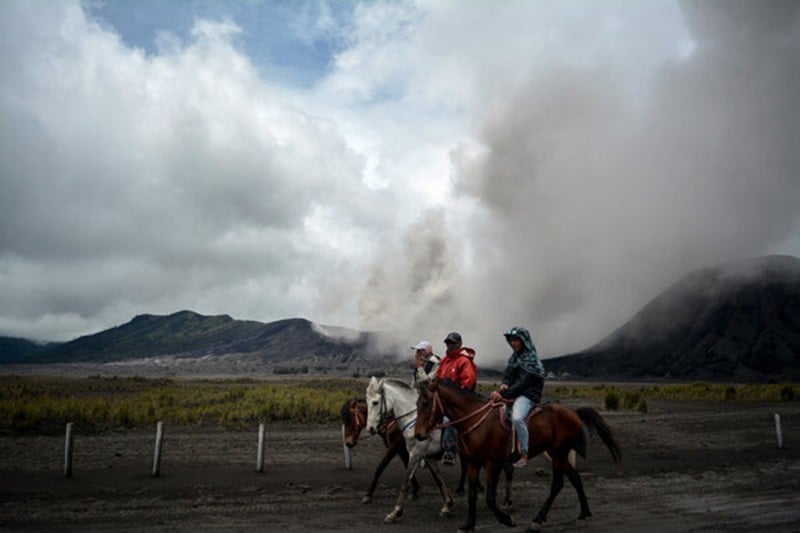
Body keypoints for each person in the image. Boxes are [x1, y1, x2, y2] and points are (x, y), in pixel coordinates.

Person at [491, 326, 544, 468]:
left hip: (527, 395)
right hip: (514, 393)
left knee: (517, 418)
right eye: (511, 340)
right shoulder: (514, 358)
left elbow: (523, 383)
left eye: (516, 340)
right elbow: (508, 374)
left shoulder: (531, 360)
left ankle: (524, 454)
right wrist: (504, 384)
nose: (513, 343)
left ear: (524, 341)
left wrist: (503, 394)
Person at [435, 331, 477, 465]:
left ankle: (450, 452)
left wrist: (454, 396)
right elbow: (438, 379)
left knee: (449, 421)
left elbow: (468, 382)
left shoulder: (464, 361)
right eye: (447, 342)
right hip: (444, 400)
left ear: (459, 344)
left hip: (460, 403)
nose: (449, 345)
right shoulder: (444, 360)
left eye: (452, 343)